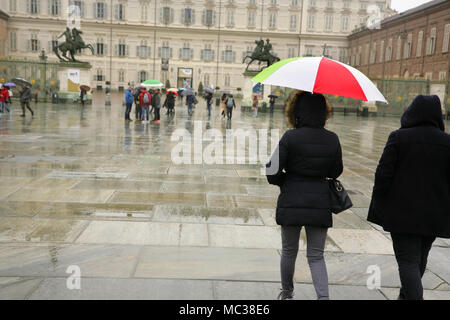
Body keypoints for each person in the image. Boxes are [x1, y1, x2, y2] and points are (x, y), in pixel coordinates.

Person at [368, 95, 450, 300]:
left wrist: (380, 206)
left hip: (403, 214)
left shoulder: (398, 137)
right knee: (419, 260)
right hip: (434, 214)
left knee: (408, 262)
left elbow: (383, 176)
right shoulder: (447, 142)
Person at [266, 91, 342, 300]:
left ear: (297, 112)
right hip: (319, 201)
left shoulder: (290, 137)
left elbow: (271, 171)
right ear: (323, 113)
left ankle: (287, 294)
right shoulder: (332, 139)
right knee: (316, 255)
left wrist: (286, 181)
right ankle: (323, 298)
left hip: (292, 199)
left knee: (289, 251)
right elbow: (336, 171)